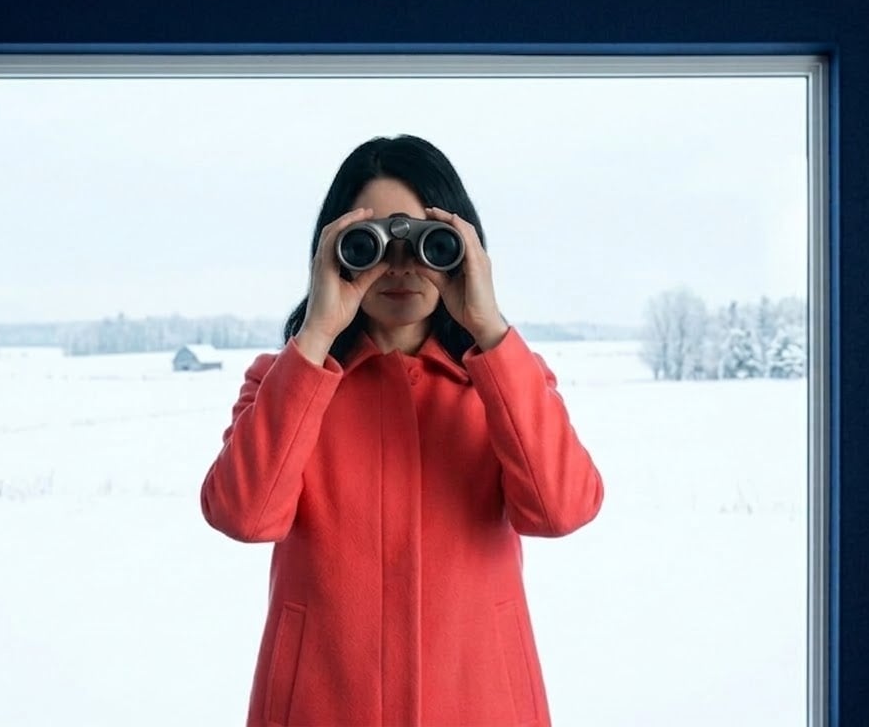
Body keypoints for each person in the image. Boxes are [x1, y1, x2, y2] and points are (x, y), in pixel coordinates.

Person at [200, 134, 604, 727]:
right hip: (321, 706)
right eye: (372, 243)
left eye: (426, 241)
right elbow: (243, 515)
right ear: (334, 251)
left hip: (482, 704)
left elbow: (561, 509)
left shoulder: (502, 382)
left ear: (463, 248)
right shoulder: (283, 383)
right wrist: (314, 337)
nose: (401, 265)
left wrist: (489, 329)